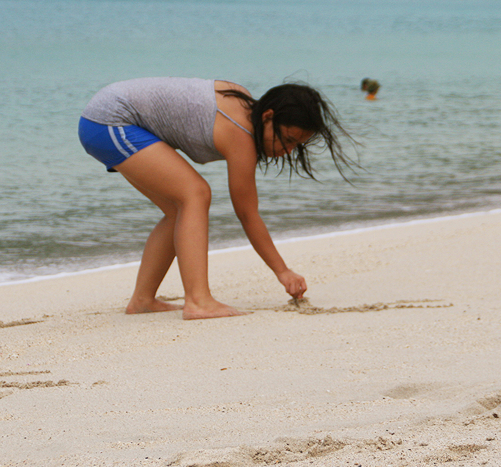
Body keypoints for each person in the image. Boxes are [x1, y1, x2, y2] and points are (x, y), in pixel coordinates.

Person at [78, 78, 354, 320]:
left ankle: (142, 301)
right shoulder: (240, 132)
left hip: (107, 120)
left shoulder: (242, 102)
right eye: (288, 139)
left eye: (296, 145)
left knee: (179, 208)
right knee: (195, 193)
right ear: (268, 116)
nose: (288, 150)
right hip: (109, 120)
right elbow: (247, 214)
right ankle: (198, 301)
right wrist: (283, 271)